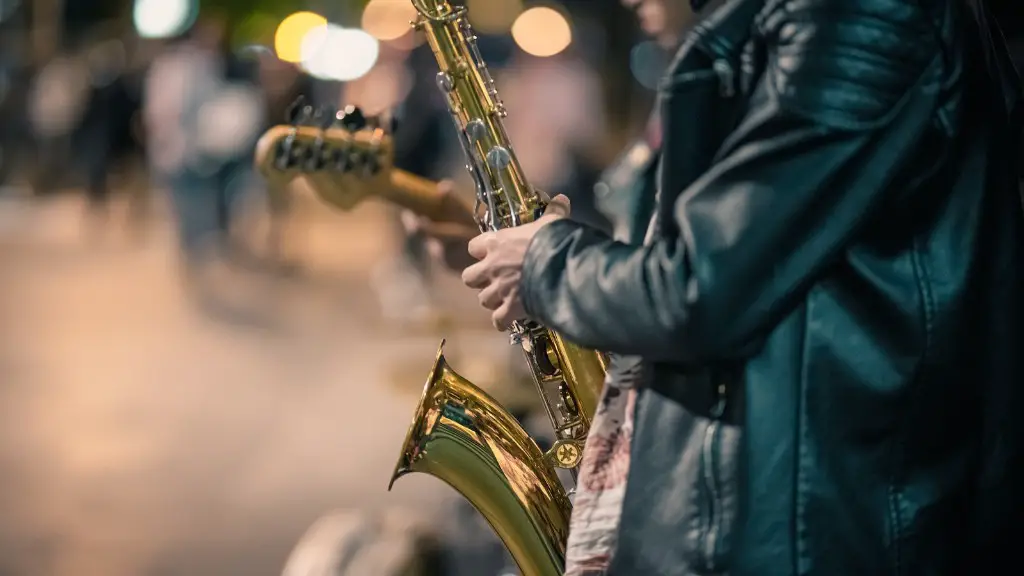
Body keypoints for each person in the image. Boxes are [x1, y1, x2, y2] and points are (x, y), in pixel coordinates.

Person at [424, 0, 1024, 575]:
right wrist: (538, 252)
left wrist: (550, 263)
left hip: (817, 530)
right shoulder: (791, 27)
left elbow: (699, 290)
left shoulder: (858, 13)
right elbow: (743, 257)